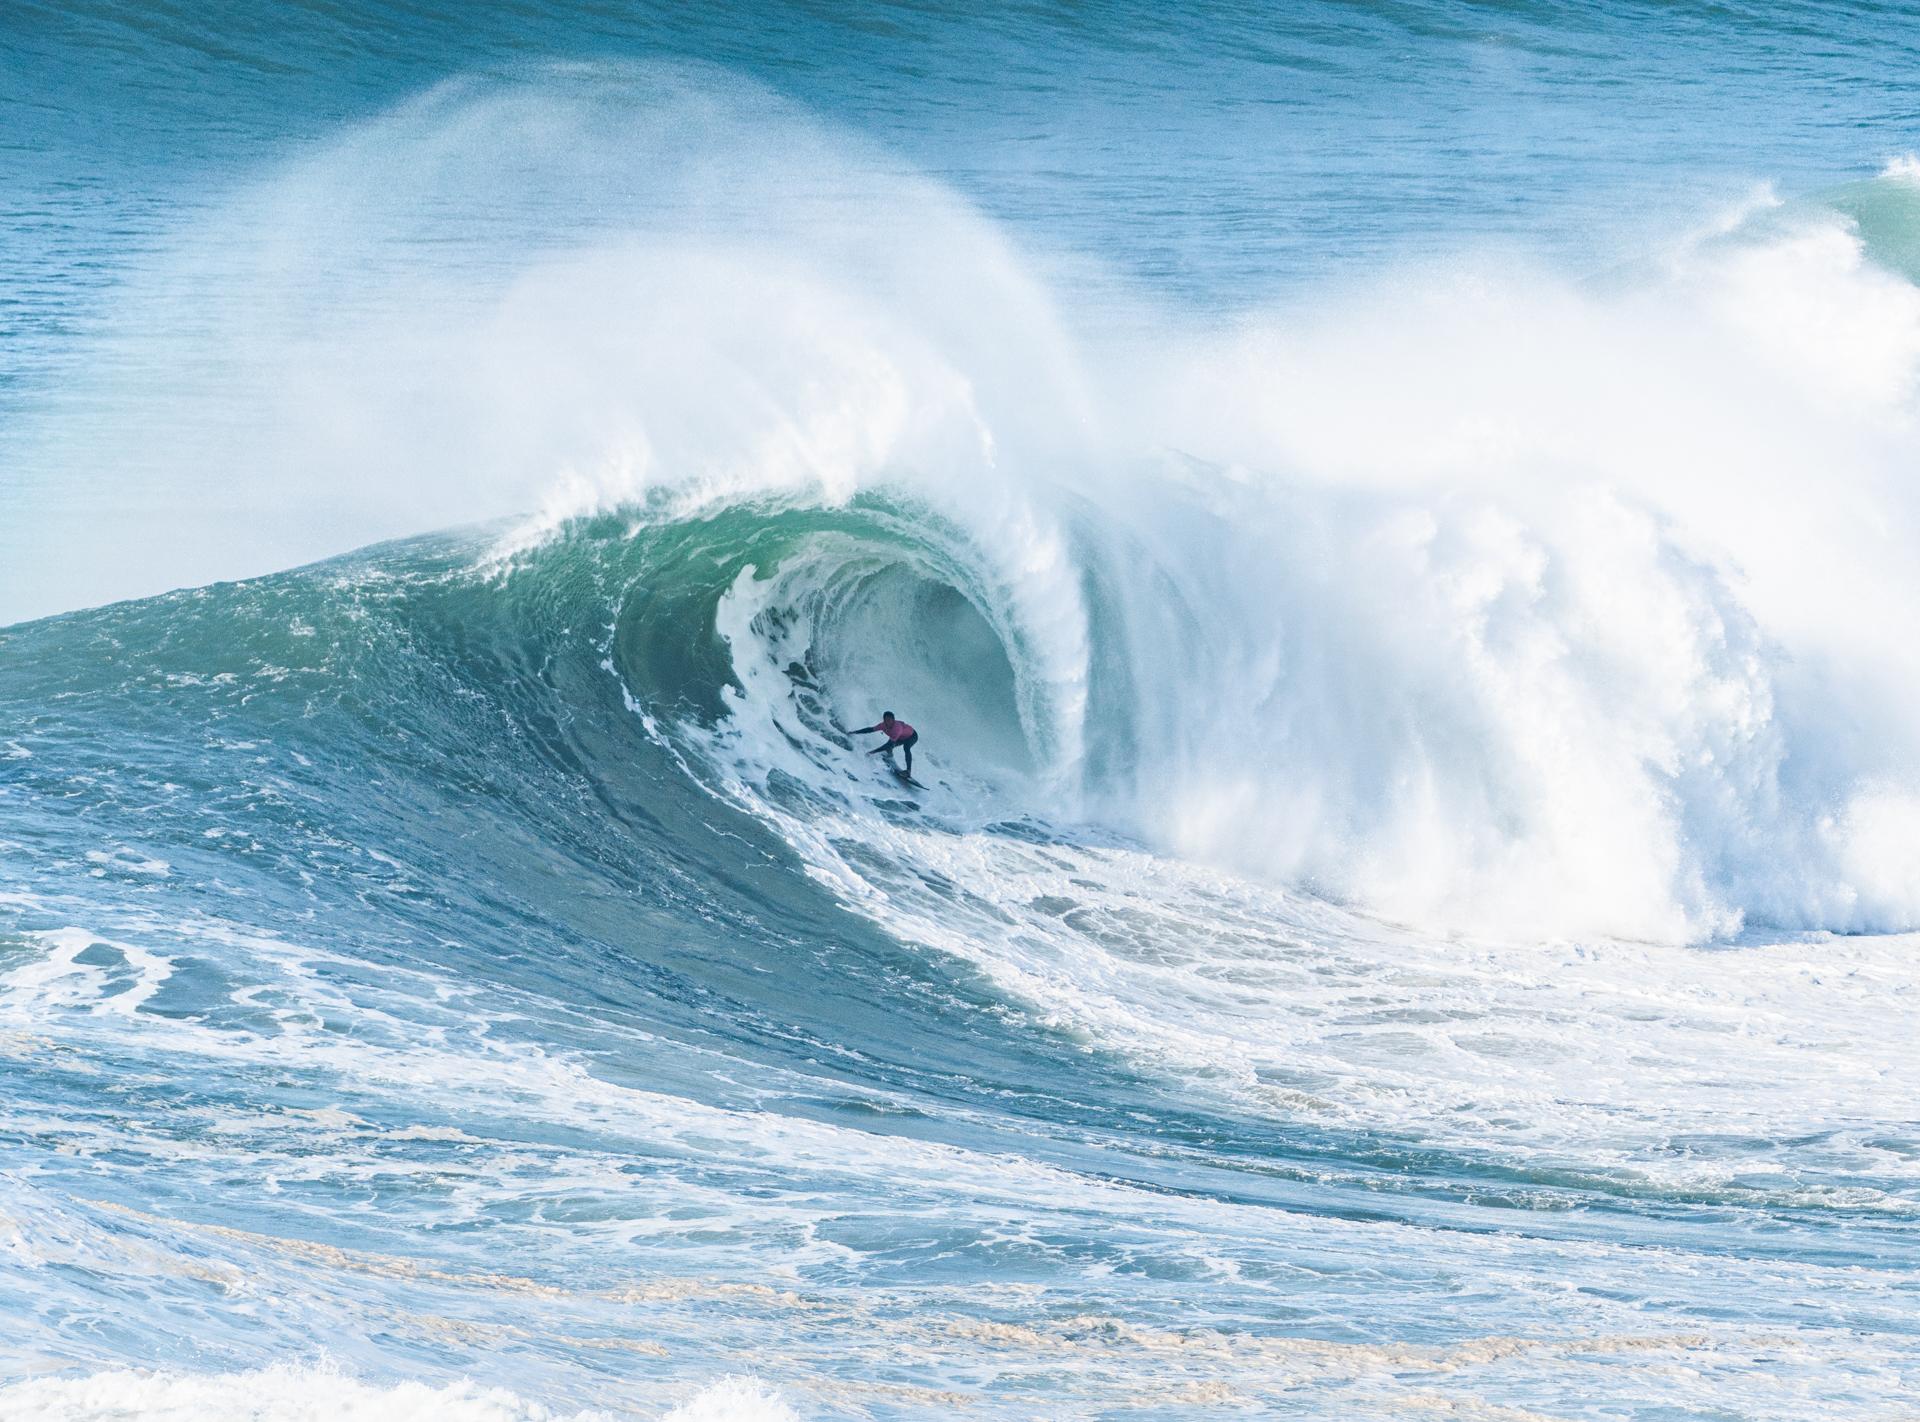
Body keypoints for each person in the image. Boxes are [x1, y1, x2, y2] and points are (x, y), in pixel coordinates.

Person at [842, 711, 918, 777]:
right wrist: (854, 732)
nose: (887, 722)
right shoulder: (883, 725)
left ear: (893, 720)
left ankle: (908, 771)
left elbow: (888, 744)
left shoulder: (897, 728)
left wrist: (873, 752)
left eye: (889, 720)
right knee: (889, 747)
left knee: (906, 747)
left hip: (911, 736)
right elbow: (870, 729)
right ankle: (889, 757)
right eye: (886, 720)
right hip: (900, 737)